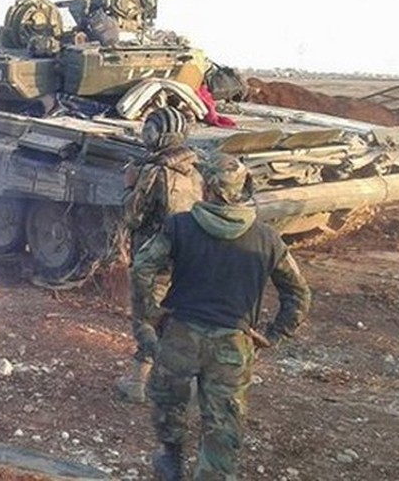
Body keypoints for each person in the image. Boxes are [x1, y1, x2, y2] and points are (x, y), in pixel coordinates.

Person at [130, 152, 311, 481]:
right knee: (223, 425)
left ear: (209, 189)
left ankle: (170, 462)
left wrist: (151, 313)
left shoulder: (180, 226)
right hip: (233, 344)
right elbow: (299, 294)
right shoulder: (267, 238)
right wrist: (274, 334)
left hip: (180, 335)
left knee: (168, 405)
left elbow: (142, 267)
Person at [116, 107, 204, 403]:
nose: (146, 135)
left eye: (150, 130)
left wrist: (129, 186)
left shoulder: (154, 172)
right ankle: (185, 383)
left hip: (154, 259)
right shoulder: (196, 171)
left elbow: (132, 216)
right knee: (175, 322)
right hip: (186, 259)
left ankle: (139, 384)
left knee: (145, 319)